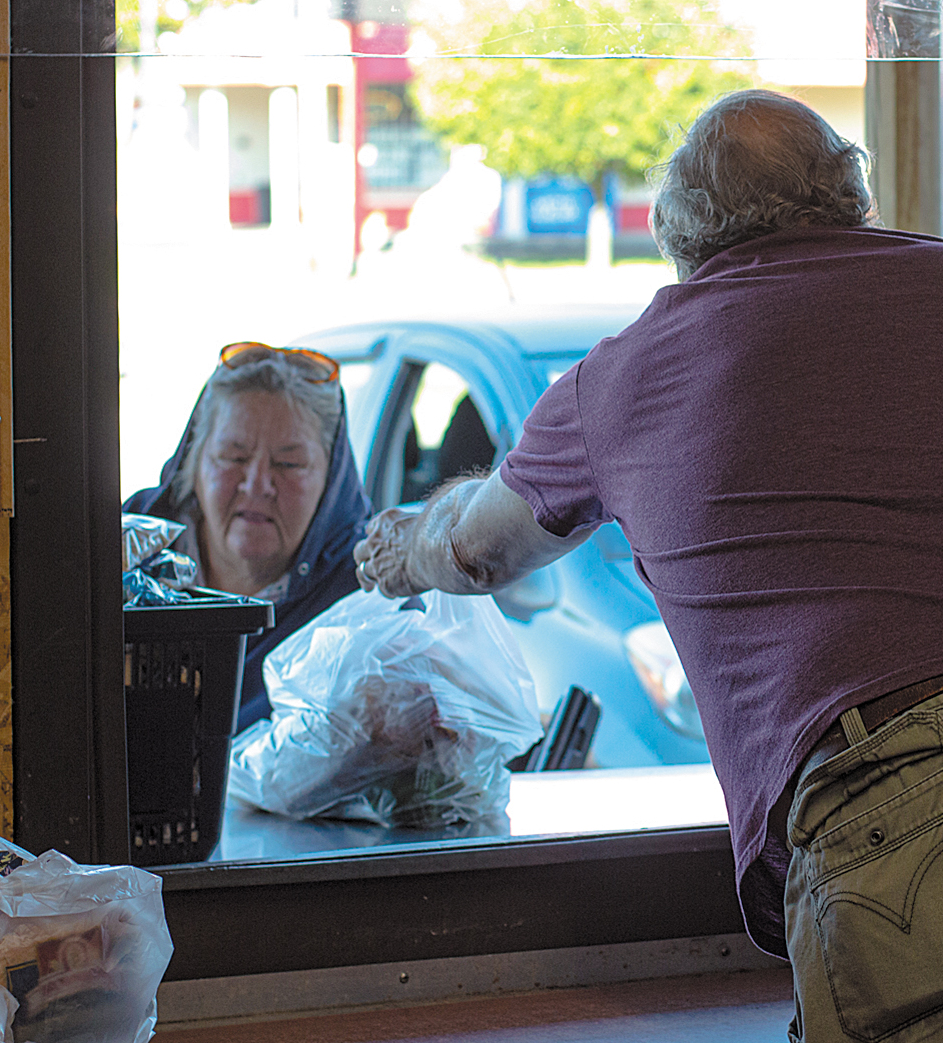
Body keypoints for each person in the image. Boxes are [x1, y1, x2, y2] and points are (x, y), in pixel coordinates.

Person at [352, 89, 943, 1041]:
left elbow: (474, 546)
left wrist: (401, 549)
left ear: (678, 235)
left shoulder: (628, 374)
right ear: (851, 199)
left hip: (900, 807)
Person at [125, 341, 371, 732]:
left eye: (289, 464)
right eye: (233, 457)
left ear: (331, 480)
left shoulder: (364, 596)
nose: (257, 485)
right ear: (195, 459)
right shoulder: (127, 552)